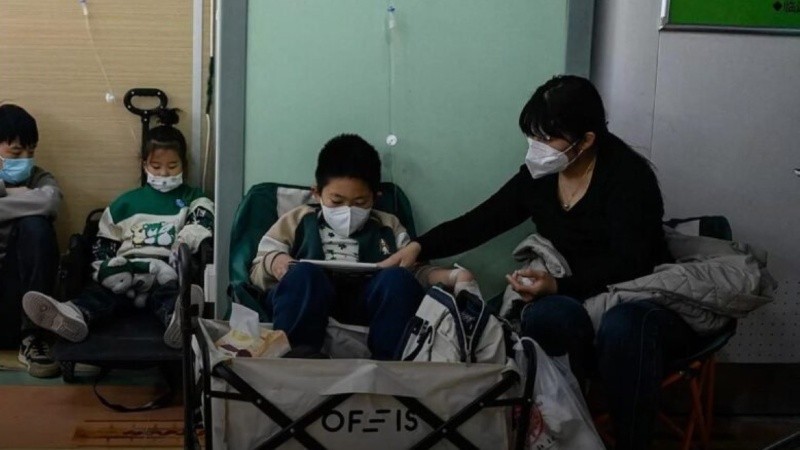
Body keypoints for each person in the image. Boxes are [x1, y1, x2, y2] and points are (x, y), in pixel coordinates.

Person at [380, 75, 697, 449]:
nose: (536, 147)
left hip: (637, 295)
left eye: (547, 138)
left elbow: (632, 263)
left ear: (586, 140)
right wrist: (420, 246)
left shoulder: (629, 179)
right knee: (547, 317)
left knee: (622, 327)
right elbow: (485, 219)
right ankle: (564, 436)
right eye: (532, 136)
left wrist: (559, 285)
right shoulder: (541, 175)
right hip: (576, 291)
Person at [249, 134, 475, 360]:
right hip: (309, 299)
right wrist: (276, 262)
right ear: (317, 193)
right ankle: (298, 356)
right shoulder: (298, 219)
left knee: (398, 279)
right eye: (336, 201)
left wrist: (451, 276)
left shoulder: (388, 225)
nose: (347, 211)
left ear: (375, 198)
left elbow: (414, 270)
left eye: (360, 203)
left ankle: (391, 362)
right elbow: (257, 267)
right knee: (303, 274)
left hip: (367, 301)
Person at [22, 109, 214, 356]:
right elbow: (103, 246)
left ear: (183, 165)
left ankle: (179, 319)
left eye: (172, 166)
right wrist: (107, 271)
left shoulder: (193, 197)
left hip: (165, 272)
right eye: (156, 166)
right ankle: (74, 314)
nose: (164, 173)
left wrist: (182, 243)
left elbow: (203, 222)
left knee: (170, 295)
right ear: (144, 165)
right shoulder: (124, 204)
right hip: (126, 272)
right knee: (100, 295)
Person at [0, 104, 62, 378]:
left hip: (18, 294)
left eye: (31, 151)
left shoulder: (39, 177)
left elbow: (49, 202)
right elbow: (39, 200)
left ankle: (32, 337)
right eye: (16, 152)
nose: (25, 159)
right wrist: (11, 192)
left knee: (37, 226)